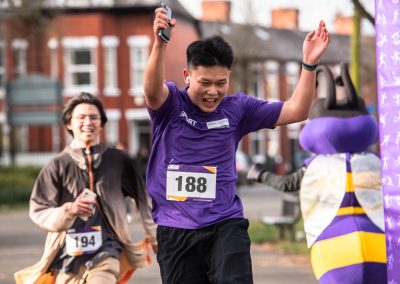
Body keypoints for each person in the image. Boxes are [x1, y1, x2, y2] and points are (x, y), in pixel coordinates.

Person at [143, 5, 330, 284]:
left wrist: (309, 64)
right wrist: (160, 43)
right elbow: (151, 90)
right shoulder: (170, 105)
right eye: (205, 82)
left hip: (224, 223)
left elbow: (296, 111)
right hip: (175, 227)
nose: (213, 91)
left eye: (221, 83)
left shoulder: (238, 109)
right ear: (187, 76)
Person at [247, 63, 387, 284]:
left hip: (332, 243)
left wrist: (260, 174)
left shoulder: (315, 166)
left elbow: (288, 184)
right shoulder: (376, 162)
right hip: (378, 239)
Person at [14, 93, 157, 284]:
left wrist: (155, 238)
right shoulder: (57, 165)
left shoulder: (118, 160)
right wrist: (69, 210)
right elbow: (39, 209)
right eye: (81, 117)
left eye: (93, 117)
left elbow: (144, 200)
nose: (88, 122)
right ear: (68, 124)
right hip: (66, 255)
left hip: (108, 249)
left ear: (102, 123)